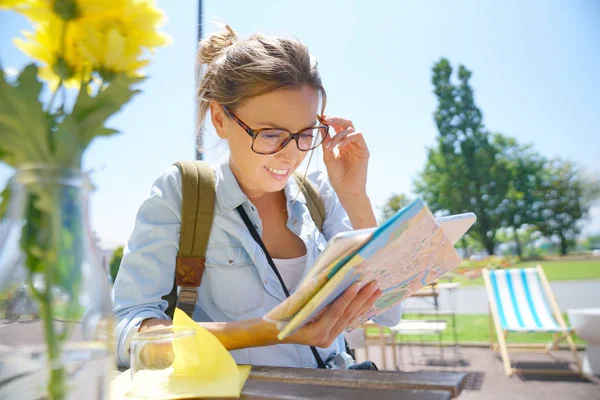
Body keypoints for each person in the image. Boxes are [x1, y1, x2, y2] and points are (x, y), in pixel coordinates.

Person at [112, 25, 402, 369]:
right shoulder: (182, 192)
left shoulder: (319, 194)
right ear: (220, 118)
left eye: (305, 134)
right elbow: (130, 333)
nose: (290, 155)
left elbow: (388, 311)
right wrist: (272, 331)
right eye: (270, 134)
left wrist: (355, 196)